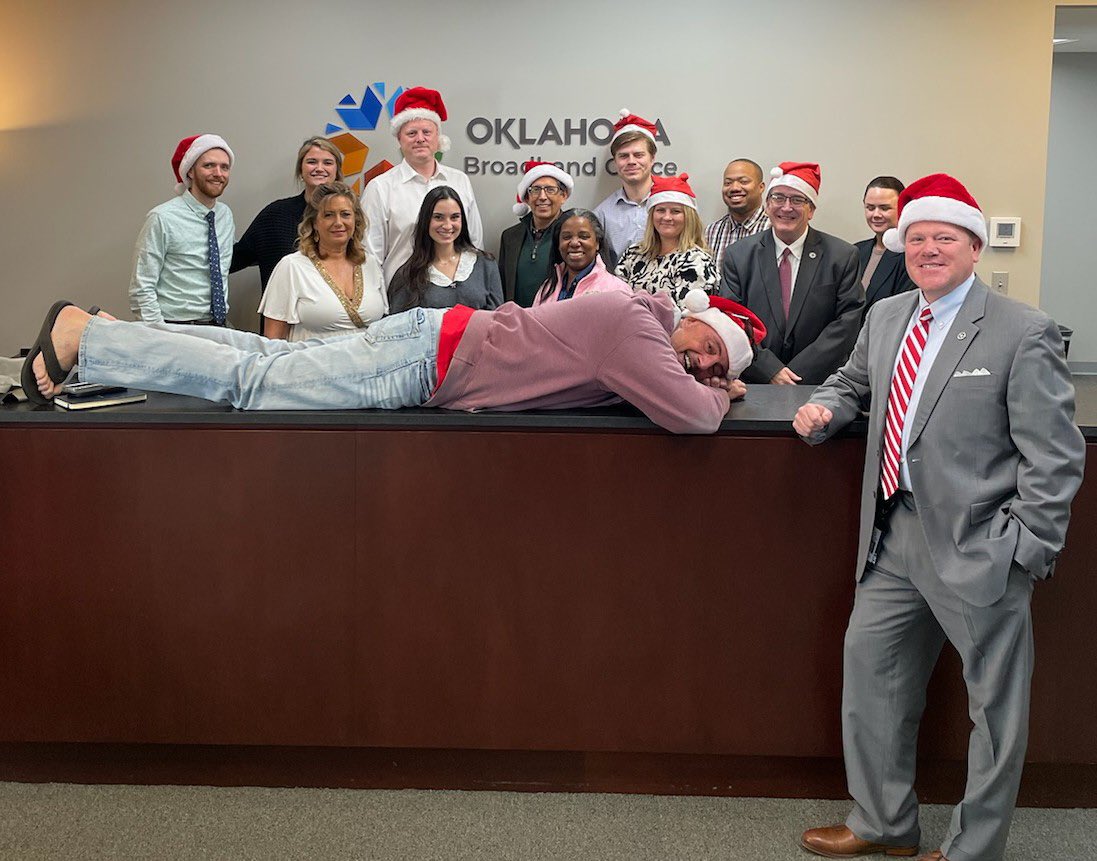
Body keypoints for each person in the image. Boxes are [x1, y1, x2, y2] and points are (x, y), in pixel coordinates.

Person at [794, 174, 1086, 861]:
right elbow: (851, 383)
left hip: (980, 545)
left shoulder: (1024, 329)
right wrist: (825, 410)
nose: (928, 249)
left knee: (994, 711)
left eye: (943, 238)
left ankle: (972, 850)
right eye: (917, 237)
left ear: (973, 246)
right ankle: (882, 822)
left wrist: (1024, 547)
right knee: (870, 682)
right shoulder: (886, 315)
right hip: (889, 537)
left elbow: (1054, 456)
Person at [25, 286, 759, 432]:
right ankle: (88, 343)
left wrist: (714, 380)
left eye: (709, 367)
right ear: (693, 323)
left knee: (258, 356)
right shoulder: (634, 325)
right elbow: (693, 418)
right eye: (705, 353)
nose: (698, 368)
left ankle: (100, 330)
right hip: (426, 364)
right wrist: (723, 394)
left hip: (430, 340)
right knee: (255, 383)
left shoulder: (630, 315)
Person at [720, 161, 862, 385]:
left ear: (811, 210)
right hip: (756, 383)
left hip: (819, 384)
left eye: (797, 200)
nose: (786, 207)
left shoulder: (842, 256)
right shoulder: (739, 255)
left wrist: (795, 373)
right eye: (778, 198)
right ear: (767, 205)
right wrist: (769, 369)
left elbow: (847, 322)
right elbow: (732, 319)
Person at [362, 86, 483, 286]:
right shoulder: (380, 188)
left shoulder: (459, 181)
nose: (420, 139)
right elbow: (370, 255)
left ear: (438, 138)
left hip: (456, 296)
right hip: (402, 298)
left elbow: (474, 243)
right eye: (411, 133)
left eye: (427, 132)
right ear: (399, 139)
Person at [256, 182, 386, 341]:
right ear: (314, 223)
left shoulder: (370, 264)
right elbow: (273, 341)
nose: (338, 222)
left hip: (368, 364)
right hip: (312, 364)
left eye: (345, 214)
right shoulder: (292, 267)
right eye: (328, 215)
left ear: (356, 220)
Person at [129, 134, 235, 326]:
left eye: (224, 167)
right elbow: (141, 287)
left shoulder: (225, 216)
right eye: (209, 165)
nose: (218, 173)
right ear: (190, 171)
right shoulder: (162, 217)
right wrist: (159, 333)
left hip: (217, 326)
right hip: (175, 326)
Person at [230, 136, 344, 295]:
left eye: (327, 163)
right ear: (300, 171)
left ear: (337, 171)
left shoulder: (348, 219)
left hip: (334, 315)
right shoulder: (275, 215)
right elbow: (235, 259)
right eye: (312, 162)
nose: (319, 168)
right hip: (280, 316)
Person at [388, 187, 502, 314]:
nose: (447, 225)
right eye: (438, 217)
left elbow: (497, 322)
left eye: (454, 217)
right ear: (426, 221)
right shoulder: (407, 275)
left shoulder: (486, 264)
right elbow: (397, 328)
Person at [615, 174, 718, 307]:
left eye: (675, 211)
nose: (667, 217)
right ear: (651, 215)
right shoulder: (634, 254)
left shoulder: (696, 261)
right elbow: (616, 300)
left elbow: (688, 316)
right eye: (660, 210)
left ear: (689, 218)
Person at [497, 161, 574, 307]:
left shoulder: (574, 236)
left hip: (558, 323)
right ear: (526, 198)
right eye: (535, 190)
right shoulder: (510, 237)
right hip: (517, 323)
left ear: (563, 195)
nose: (542, 197)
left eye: (550, 190)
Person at [533, 209, 633, 305]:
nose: (574, 243)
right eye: (567, 237)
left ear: (597, 242)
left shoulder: (617, 290)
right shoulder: (547, 288)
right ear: (558, 243)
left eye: (583, 236)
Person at [594, 109, 658, 258]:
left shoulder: (674, 205)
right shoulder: (602, 215)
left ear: (652, 158)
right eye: (623, 156)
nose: (631, 161)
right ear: (615, 162)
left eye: (638, 155)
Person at [856, 176, 915, 315]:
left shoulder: (911, 256)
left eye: (884, 208)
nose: (876, 214)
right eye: (870, 208)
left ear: (902, 208)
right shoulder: (855, 251)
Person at [704, 158, 771, 273]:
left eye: (744, 181)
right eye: (728, 183)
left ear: (761, 187)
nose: (734, 188)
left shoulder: (774, 229)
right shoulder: (712, 231)